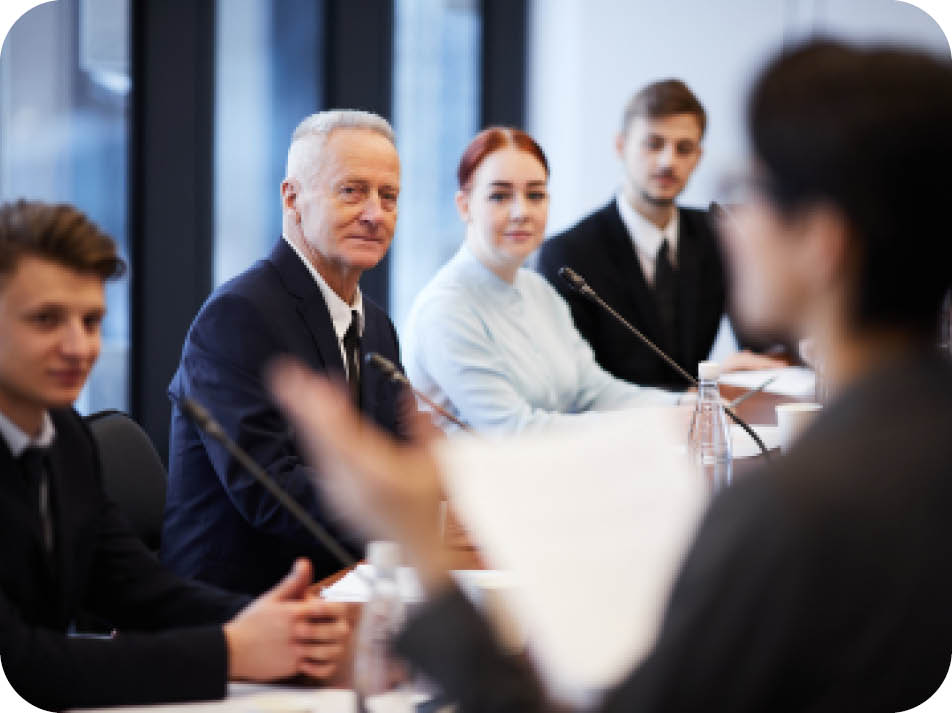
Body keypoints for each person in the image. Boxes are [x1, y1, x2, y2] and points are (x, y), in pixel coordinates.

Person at [269, 40, 952, 713]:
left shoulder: (785, 513)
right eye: (500, 193)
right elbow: (525, 426)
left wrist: (690, 403)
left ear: (822, 241)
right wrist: (679, 412)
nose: (734, 222)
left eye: (751, 193)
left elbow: (595, 387)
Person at [0, 200, 350, 710]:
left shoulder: (64, 434)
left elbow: (135, 587)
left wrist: (269, 621)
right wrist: (232, 650)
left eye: (92, 320)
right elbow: (30, 666)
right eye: (47, 320)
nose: (79, 347)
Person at [161, 110, 405, 595]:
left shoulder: (377, 324)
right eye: (352, 191)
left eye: (389, 196)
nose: (375, 214)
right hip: (241, 604)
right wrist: (399, 506)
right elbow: (270, 492)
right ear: (292, 199)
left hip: (340, 580)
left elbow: (396, 453)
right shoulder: (237, 316)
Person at [403, 127, 678, 434]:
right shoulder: (446, 309)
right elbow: (517, 432)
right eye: (499, 196)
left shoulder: (540, 290)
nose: (522, 212)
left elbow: (594, 391)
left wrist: (683, 407)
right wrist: (651, 424)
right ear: (465, 206)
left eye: (535, 195)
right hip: (478, 480)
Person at [537, 80, 783, 389]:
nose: (669, 162)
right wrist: (702, 385)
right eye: (653, 144)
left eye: (684, 148)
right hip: (617, 430)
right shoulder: (568, 254)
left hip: (699, 425)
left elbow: (763, 341)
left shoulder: (717, 234)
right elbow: (578, 390)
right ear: (620, 146)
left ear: (698, 157)